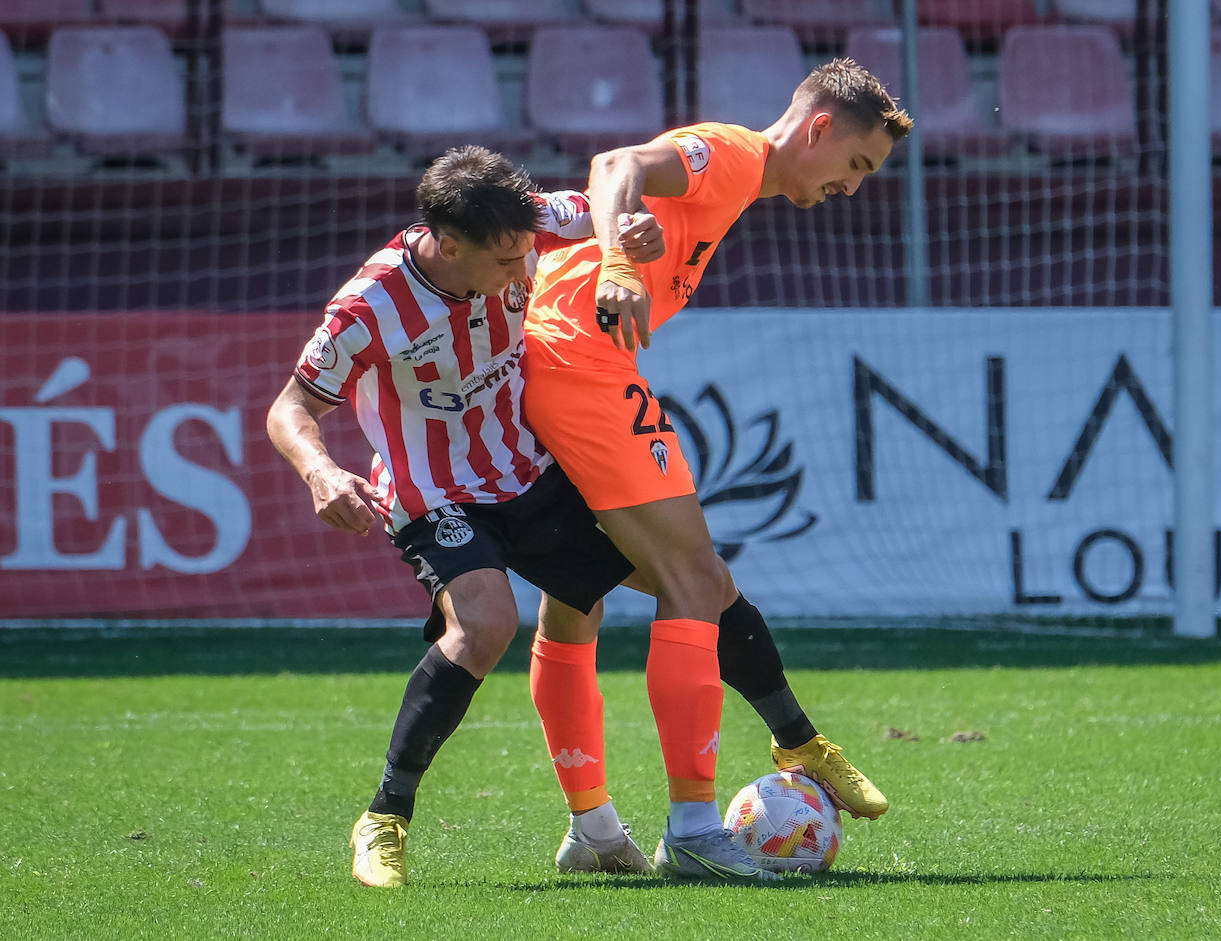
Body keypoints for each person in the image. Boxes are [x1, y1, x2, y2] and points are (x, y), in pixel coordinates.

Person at [265, 145, 885, 889]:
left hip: (530, 473)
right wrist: (321, 470)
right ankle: (385, 816)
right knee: (487, 623)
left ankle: (773, 749)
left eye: (529, 253)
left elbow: (599, 201)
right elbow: (291, 406)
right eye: (505, 264)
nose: (524, 272)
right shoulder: (370, 306)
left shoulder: (526, 223)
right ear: (446, 243)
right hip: (438, 495)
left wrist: (631, 236)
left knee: (697, 580)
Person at [522, 58, 912, 880]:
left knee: (574, 594)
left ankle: (591, 828)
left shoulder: (734, 184)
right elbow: (613, 166)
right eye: (856, 165)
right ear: (817, 130)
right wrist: (622, 266)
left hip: (545, 361)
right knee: (696, 580)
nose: (853, 186)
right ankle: (698, 828)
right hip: (582, 367)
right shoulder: (732, 154)